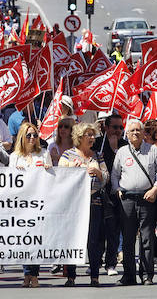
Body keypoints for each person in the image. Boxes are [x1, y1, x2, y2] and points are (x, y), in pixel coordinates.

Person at [111, 118, 157, 286]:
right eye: (132, 131)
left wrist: (155, 189)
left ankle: (147, 275)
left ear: (143, 133)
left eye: (138, 130)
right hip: (127, 199)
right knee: (127, 239)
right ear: (127, 134)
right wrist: (117, 189)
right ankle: (129, 275)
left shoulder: (153, 151)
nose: (135, 133)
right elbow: (114, 174)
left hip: (147, 198)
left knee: (147, 238)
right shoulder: (122, 152)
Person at [58, 122, 108, 287]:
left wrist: (99, 173)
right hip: (74, 205)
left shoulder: (98, 156)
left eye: (93, 135)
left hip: (94, 202)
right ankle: (71, 276)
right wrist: (73, 168)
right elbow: (60, 177)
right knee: (73, 239)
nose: (93, 138)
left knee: (93, 241)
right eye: (89, 135)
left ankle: (95, 276)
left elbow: (106, 178)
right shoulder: (68, 155)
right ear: (79, 137)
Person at [9, 122, 52, 287]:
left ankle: (34, 275)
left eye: (35, 135)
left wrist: (49, 169)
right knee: (24, 240)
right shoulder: (14, 157)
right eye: (29, 135)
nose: (32, 138)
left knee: (36, 240)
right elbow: (9, 181)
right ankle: (27, 273)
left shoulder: (43, 154)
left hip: (39, 202)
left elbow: (51, 177)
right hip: (21, 204)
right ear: (22, 137)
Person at [96, 114, 127, 277]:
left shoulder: (124, 145)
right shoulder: (97, 143)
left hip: (117, 193)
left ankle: (111, 263)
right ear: (106, 128)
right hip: (99, 192)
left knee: (113, 230)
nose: (118, 131)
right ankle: (96, 260)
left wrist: (116, 149)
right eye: (115, 127)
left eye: (121, 128)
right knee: (98, 229)